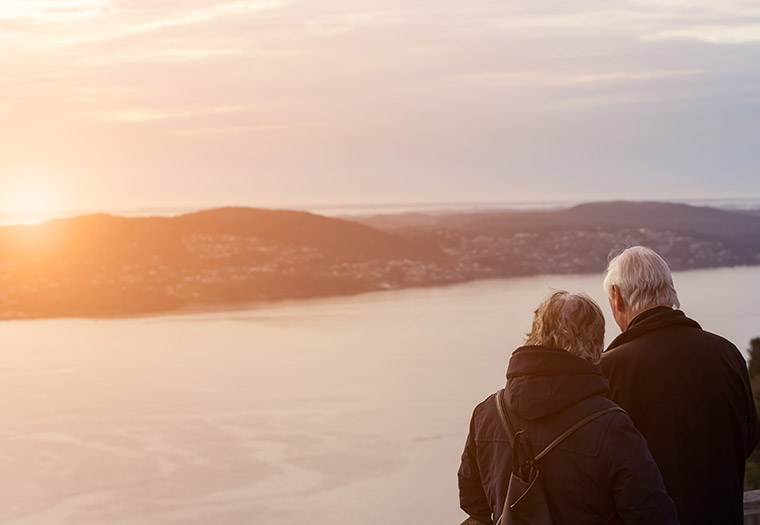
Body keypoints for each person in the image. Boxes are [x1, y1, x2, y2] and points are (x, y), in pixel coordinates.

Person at [458, 290, 678, 525]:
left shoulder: (487, 413)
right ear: (595, 343)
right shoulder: (612, 426)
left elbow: (472, 501)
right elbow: (651, 515)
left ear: (535, 332)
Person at [600, 246, 760, 525]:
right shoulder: (728, 354)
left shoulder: (609, 369)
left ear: (617, 296)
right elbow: (748, 439)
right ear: (670, 291)